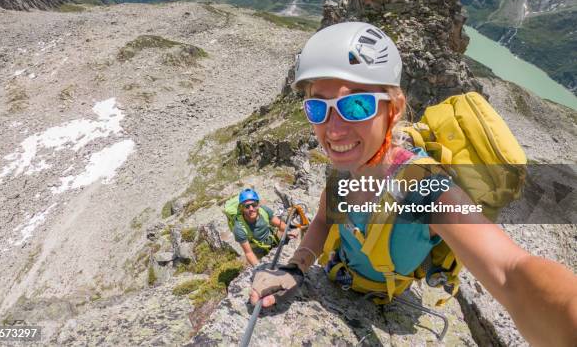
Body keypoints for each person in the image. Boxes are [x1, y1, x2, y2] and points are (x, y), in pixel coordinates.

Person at [249, 22, 577, 346]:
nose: (333, 130)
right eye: (317, 107)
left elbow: (510, 272)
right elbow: (323, 218)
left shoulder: (427, 191)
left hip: (386, 301)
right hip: (339, 274)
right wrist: (295, 267)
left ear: (394, 108)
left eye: (356, 106)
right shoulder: (346, 172)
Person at [234, 188, 297, 267]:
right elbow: (248, 253)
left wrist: (290, 233)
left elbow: (281, 225)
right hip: (259, 251)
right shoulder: (239, 228)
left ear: (258, 204)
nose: (251, 209)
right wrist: (258, 268)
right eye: (247, 206)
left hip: (273, 240)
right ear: (242, 208)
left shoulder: (264, 211)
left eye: (254, 205)